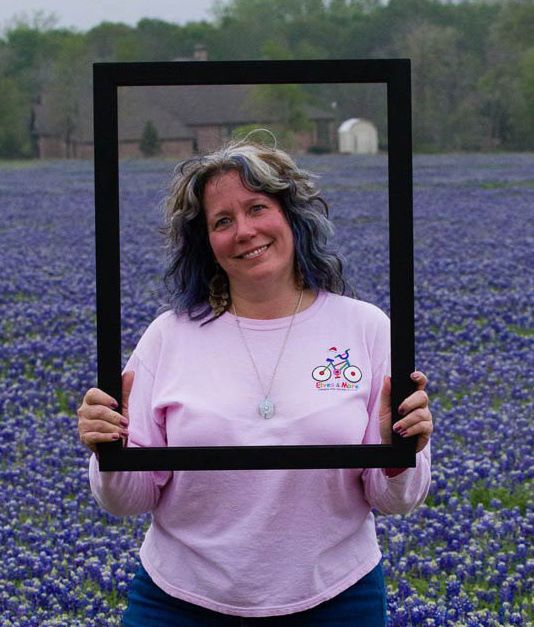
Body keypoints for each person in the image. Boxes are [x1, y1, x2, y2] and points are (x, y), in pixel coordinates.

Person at [77, 139, 433, 626]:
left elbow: (395, 499)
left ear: (291, 216)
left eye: (257, 208)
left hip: (335, 598)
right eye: (222, 221)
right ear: (206, 242)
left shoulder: (365, 328)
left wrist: (400, 452)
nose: (244, 231)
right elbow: (127, 499)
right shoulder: (168, 336)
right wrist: (108, 448)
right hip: (180, 601)